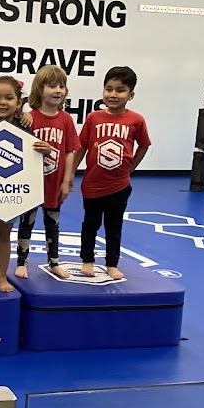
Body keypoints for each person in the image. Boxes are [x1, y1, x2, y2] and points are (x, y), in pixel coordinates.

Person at [0, 76, 52, 294]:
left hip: (11, 193)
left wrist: (45, 150)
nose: (3, 102)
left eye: (9, 98)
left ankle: (1, 276)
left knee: (4, 236)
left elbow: (33, 154)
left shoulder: (23, 126)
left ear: (19, 102)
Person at [74, 66, 151, 281]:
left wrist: (131, 167)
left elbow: (144, 144)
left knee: (114, 226)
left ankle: (111, 263)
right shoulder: (93, 118)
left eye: (120, 90)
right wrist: (70, 173)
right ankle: (87, 260)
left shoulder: (136, 120)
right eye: (109, 89)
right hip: (92, 184)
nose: (113, 94)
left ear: (131, 95)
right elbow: (82, 146)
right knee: (90, 224)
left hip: (119, 185)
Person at [15, 66, 79, 280]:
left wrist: (66, 180)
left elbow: (70, 151)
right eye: (52, 86)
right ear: (39, 90)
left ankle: (54, 262)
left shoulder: (66, 119)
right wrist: (23, 114)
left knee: (53, 224)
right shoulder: (29, 118)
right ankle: (21, 261)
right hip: (32, 182)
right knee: (26, 222)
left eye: (61, 86)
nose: (58, 90)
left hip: (54, 181)